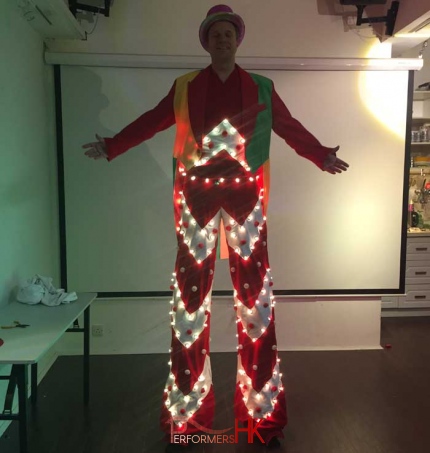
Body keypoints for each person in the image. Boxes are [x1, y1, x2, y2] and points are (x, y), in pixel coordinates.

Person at [83, 4, 349, 451]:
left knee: (256, 306)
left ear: (237, 40)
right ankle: (186, 415)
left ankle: (263, 416)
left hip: (247, 200)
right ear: (206, 42)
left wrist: (321, 154)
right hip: (196, 200)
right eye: (215, 35)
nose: (222, 41)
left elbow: (287, 126)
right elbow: (152, 121)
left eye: (229, 35)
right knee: (189, 307)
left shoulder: (261, 87)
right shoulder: (185, 87)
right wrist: (112, 146)